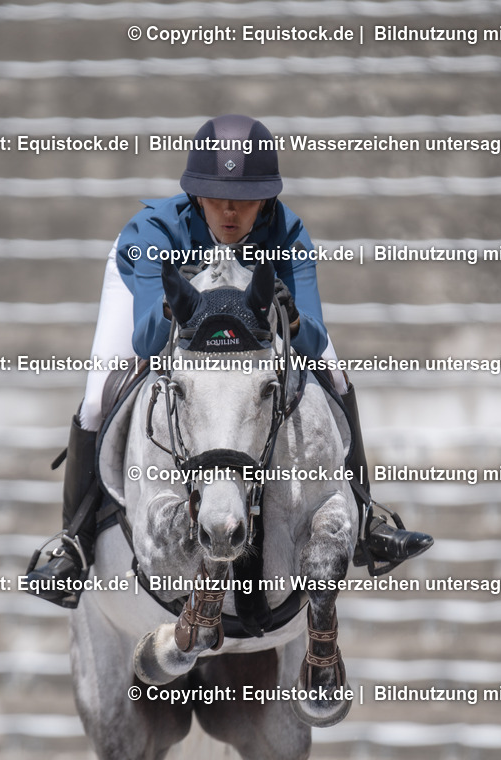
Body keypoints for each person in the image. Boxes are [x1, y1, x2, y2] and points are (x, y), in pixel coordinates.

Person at [26, 114, 433, 607]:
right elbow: (148, 339)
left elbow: (314, 335)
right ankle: (76, 541)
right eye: (218, 199)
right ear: (196, 194)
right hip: (133, 270)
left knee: (337, 375)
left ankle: (368, 519)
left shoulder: (288, 232)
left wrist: (295, 320)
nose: (230, 213)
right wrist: (172, 304)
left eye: (245, 200)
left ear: (267, 198)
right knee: (96, 398)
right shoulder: (156, 233)